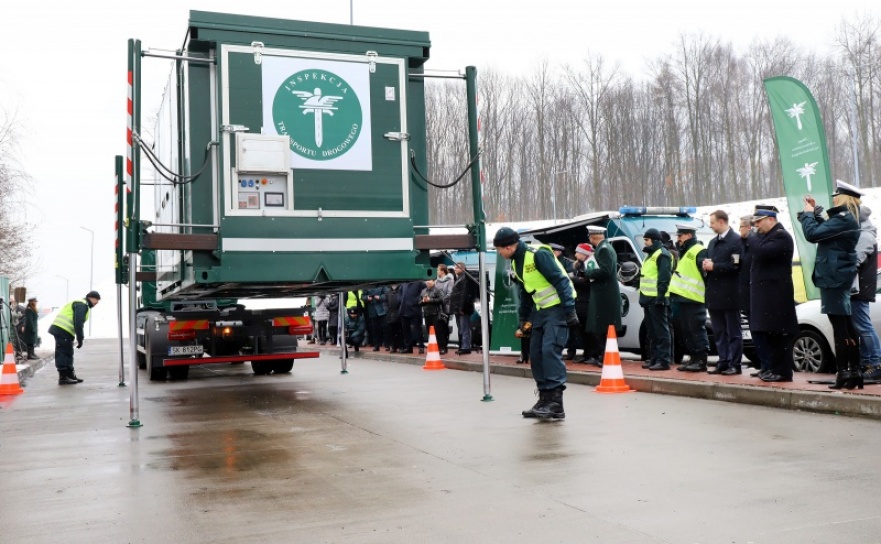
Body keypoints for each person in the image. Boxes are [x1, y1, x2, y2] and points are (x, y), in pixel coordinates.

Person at [494, 227, 577, 420]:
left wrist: (569, 309)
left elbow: (561, 281)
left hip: (558, 308)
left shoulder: (538, 255)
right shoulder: (516, 262)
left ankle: (556, 404)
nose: (499, 252)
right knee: (536, 353)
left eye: (499, 249)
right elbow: (526, 292)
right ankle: (544, 399)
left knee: (549, 350)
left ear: (508, 246)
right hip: (541, 311)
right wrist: (523, 318)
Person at [798, 181, 862, 389]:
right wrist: (815, 213)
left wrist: (808, 214)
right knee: (845, 326)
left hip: (834, 278)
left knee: (841, 328)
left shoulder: (843, 219)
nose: (833, 199)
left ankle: (845, 373)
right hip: (836, 277)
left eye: (836, 196)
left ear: (843, 198)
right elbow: (823, 231)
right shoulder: (845, 220)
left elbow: (812, 235)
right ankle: (853, 372)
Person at [749, 206, 798, 382]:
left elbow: (762, 252)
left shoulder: (781, 236)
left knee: (779, 334)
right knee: (769, 334)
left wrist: (752, 235)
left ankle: (783, 371)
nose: (757, 226)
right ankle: (773, 368)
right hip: (767, 295)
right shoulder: (766, 237)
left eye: (759, 222)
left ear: (771, 219)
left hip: (776, 295)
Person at [702, 210, 744, 375]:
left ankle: (735, 364)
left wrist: (715, 266)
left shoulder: (736, 241)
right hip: (714, 294)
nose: (710, 226)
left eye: (712, 223)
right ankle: (723, 361)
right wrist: (705, 265)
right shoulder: (712, 243)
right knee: (719, 332)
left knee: (733, 332)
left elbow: (735, 266)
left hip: (730, 295)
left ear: (721, 222)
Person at [670, 224, 710, 372]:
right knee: (687, 330)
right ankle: (693, 358)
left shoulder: (699, 251)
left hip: (695, 298)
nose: (678, 239)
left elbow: (706, 275)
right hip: (685, 298)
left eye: (680, 236)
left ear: (688, 235)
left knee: (696, 329)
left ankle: (701, 360)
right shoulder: (685, 251)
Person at [583, 225, 621, 367]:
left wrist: (588, 273)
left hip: (604, 294)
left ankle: (605, 356)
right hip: (603, 293)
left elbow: (605, 271)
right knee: (602, 327)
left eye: (589, 236)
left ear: (593, 237)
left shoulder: (604, 250)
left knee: (604, 327)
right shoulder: (604, 248)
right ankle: (602, 355)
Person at [852, 203, 881, 381]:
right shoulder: (864, 233)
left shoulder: (864, 236)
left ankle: (875, 363)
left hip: (859, 287)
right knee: (861, 326)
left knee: (864, 327)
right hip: (860, 286)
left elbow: (855, 260)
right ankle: (868, 362)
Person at [48, 291, 100, 385]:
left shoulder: (82, 305)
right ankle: (63, 377)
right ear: (91, 298)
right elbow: (78, 323)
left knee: (68, 352)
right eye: (97, 299)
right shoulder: (82, 305)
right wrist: (80, 338)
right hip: (62, 329)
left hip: (65, 331)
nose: (97, 302)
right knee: (63, 352)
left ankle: (70, 375)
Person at [640, 228, 674, 371]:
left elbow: (664, 278)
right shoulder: (651, 254)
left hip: (657, 299)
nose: (645, 243)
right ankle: (654, 358)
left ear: (654, 240)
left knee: (661, 331)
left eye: (647, 240)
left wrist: (660, 296)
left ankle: (664, 360)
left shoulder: (663, 254)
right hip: (648, 299)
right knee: (652, 331)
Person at [569, 243, 594, 363]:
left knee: (588, 330)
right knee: (582, 329)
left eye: (577, 252)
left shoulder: (589, 264)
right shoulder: (578, 266)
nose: (575, 254)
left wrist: (574, 279)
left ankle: (591, 354)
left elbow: (587, 282)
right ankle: (586, 353)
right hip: (580, 300)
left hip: (587, 301)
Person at [450, 262, 477, 355]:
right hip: (458, 308)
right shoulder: (460, 278)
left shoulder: (465, 279)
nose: (455, 270)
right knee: (461, 328)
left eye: (456, 268)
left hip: (463, 308)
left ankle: (466, 346)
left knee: (464, 328)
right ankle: (463, 345)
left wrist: (462, 307)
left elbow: (464, 295)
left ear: (462, 269)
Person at [399, 280, 426, 354]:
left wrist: (418, 299)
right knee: (405, 329)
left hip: (415, 309)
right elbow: (400, 293)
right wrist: (401, 300)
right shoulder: (404, 282)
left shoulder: (419, 282)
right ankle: (408, 347)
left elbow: (425, 290)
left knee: (418, 329)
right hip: (404, 309)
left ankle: (421, 346)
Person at [419, 280, 445, 349]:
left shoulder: (437, 290)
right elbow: (419, 302)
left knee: (438, 331)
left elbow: (442, 299)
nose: (428, 283)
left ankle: (441, 347)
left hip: (436, 313)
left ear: (434, 282)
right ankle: (433, 346)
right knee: (429, 331)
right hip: (427, 314)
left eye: (430, 281)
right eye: (427, 281)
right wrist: (423, 301)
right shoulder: (423, 291)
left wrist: (430, 300)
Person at [435, 264, 454, 354]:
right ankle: (440, 345)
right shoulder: (436, 282)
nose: (437, 272)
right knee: (438, 327)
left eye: (438, 270)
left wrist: (442, 300)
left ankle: (444, 346)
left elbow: (450, 293)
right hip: (437, 308)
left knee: (444, 327)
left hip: (445, 307)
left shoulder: (449, 281)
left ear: (443, 271)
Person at [362, 287, 388, 351]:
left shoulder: (382, 285)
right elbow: (363, 296)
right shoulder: (367, 285)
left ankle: (387, 344)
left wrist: (379, 297)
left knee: (386, 328)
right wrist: (367, 298)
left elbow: (386, 293)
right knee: (374, 329)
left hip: (382, 310)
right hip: (372, 310)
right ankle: (376, 345)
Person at [385, 284, 403, 352]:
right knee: (392, 331)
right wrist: (387, 310)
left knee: (400, 331)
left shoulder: (400, 290)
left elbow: (401, 301)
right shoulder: (388, 292)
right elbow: (385, 302)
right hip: (390, 313)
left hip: (399, 312)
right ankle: (394, 346)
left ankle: (401, 346)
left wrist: (399, 310)